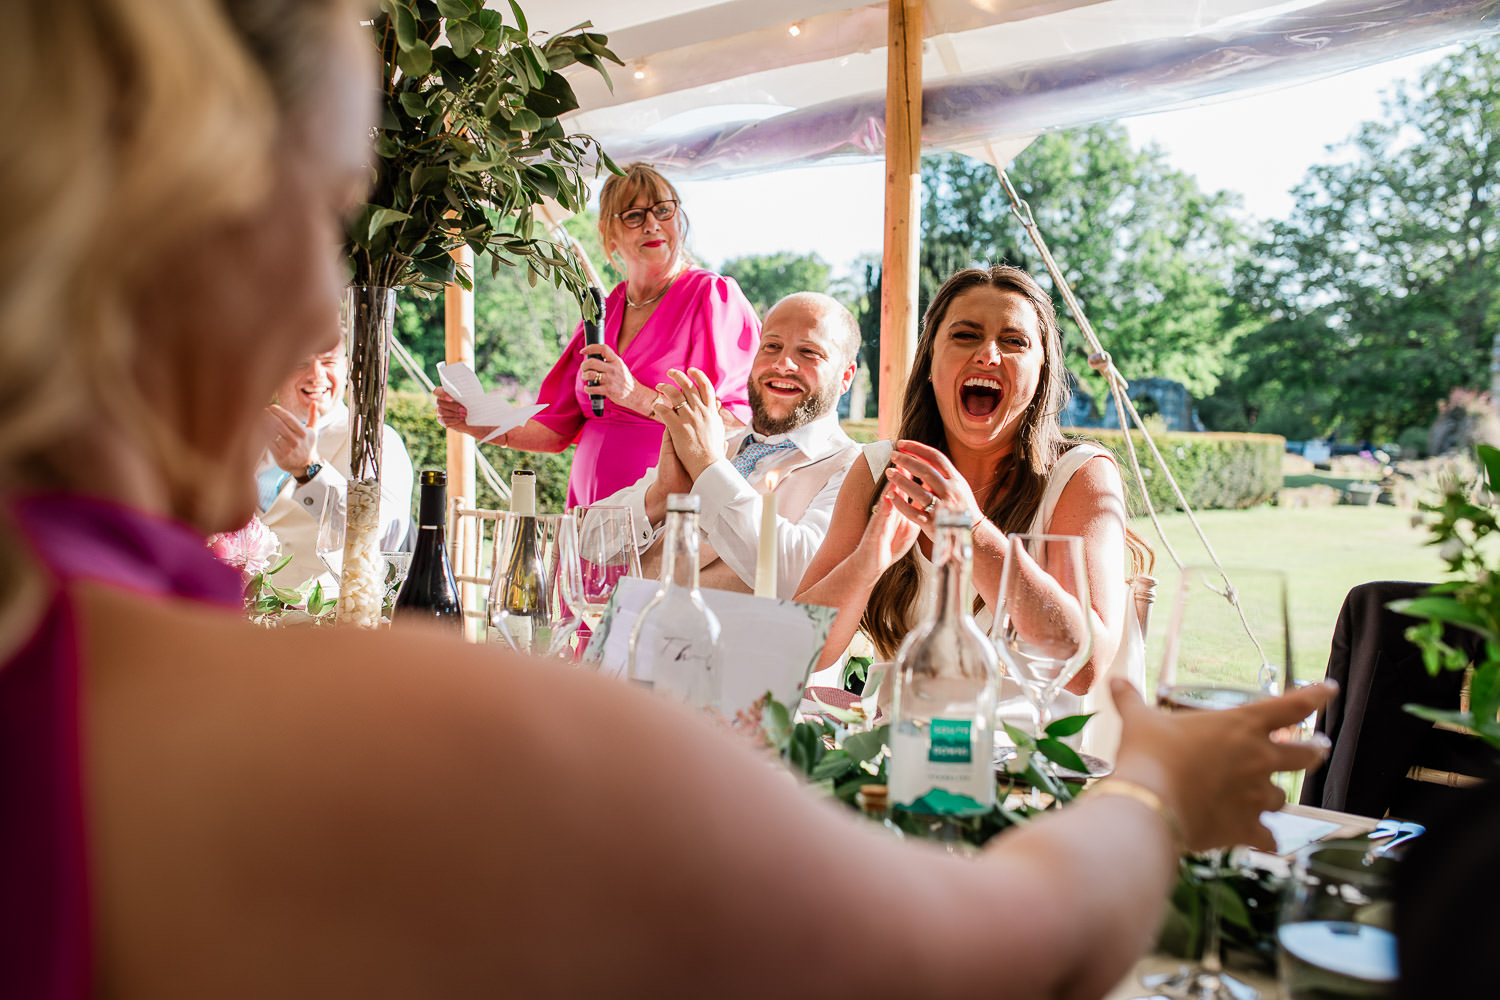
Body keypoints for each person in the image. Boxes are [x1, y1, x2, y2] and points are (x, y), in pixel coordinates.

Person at [0, 2, 1334, 996]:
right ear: (181, 224)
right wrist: (1155, 789)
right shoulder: (379, 734)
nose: (321, 305)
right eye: (329, 211)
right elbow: (986, 957)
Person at [796, 265, 1146, 755]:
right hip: (895, 754)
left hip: (1026, 767)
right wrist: (868, 560)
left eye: (1014, 341)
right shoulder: (878, 470)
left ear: (1043, 368)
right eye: (965, 335)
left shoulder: (1082, 474)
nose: (988, 353)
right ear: (931, 358)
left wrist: (971, 530)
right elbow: (798, 650)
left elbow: (1083, 667)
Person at [434, 163, 759, 509]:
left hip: (665, 506)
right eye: (634, 215)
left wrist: (636, 396)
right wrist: (474, 423)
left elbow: (736, 421)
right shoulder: (605, 308)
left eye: (663, 209)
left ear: (679, 219)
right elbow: (554, 430)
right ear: (609, 233)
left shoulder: (711, 297)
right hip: (587, 506)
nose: (652, 224)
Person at [597, 292, 861, 598]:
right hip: (628, 635)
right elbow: (586, 543)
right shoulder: (716, 441)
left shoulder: (854, 468)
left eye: (809, 352)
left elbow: (802, 577)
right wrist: (659, 496)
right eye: (772, 346)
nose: (783, 363)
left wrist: (709, 468)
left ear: (846, 376)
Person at [255, 336, 414, 588]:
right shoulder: (248, 436)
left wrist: (310, 470)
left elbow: (382, 537)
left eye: (328, 362)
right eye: (300, 363)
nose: (316, 375)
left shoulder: (376, 441)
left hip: (326, 617)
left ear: (346, 367)